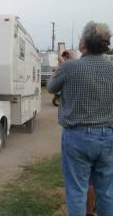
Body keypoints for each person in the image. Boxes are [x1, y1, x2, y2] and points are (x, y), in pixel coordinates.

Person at [48, 21, 113, 216]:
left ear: (84, 42)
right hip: (108, 135)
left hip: (77, 137)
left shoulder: (70, 67)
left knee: (76, 192)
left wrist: (63, 66)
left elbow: (51, 87)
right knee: (107, 192)